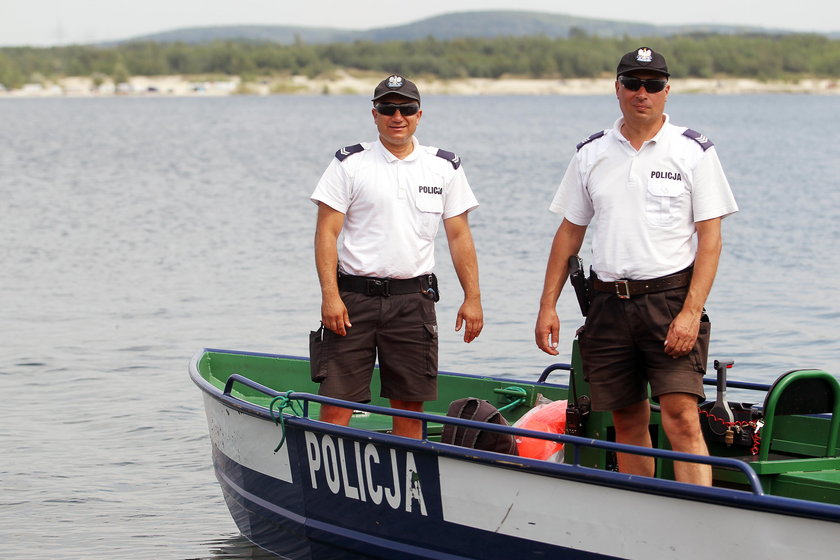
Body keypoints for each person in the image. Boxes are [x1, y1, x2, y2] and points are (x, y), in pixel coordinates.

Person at [535, 47, 738, 485]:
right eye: (632, 83)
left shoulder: (694, 152)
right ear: (617, 89)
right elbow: (569, 234)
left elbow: (711, 240)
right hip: (607, 305)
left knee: (682, 418)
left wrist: (689, 312)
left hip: (669, 303)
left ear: (667, 91)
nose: (641, 93)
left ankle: (697, 517)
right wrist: (547, 305)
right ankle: (639, 516)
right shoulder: (590, 154)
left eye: (652, 84)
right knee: (627, 421)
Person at [311, 74, 483, 438]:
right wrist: (330, 296)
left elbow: (459, 236)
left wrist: (473, 298)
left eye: (406, 109)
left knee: (409, 404)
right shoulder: (349, 163)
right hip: (352, 300)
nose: (397, 116)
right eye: (388, 108)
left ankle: (410, 481)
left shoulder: (444, 166)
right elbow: (327, 232)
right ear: (374, 115)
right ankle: (331, 483)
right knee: (337, 402)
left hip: (413, 301)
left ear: (420, 115)